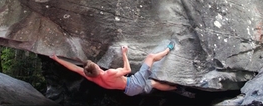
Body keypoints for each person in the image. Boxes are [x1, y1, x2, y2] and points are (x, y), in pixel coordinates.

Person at [50, 41, 181, 96]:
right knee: (151, 57)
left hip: (130, 92)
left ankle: (178, 89)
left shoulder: (92, 78)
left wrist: (57, 59)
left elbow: (74, 68)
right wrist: (124, 53)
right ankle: (169, 48)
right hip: (134, 82)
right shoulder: (109, 73)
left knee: (154, 83)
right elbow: (128, 70)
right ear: (96, 67)